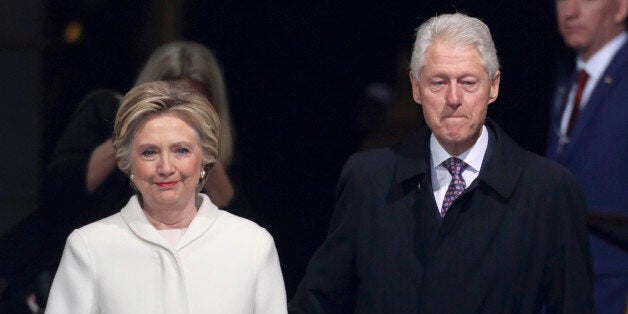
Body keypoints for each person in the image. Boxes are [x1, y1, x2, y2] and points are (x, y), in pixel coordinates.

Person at [289, 13, 594, 313]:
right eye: (438, 82)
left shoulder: (548, 191)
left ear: (493, 86)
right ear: (416, 87)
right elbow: (319, 301)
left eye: (468, 82)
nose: (453, 98)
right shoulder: (368, 179)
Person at [45, 80, 287, 313]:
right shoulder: (89, 246)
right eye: (149, 152)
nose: (166, 167)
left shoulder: (252, 244)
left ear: (204, 157)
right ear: (128, 163)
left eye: (181, 150)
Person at [546, 0, 628, 312]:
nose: (570, 11)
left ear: (621, 8)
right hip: (565, 282)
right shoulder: (569, 79)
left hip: (615, 287)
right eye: (562, 1)